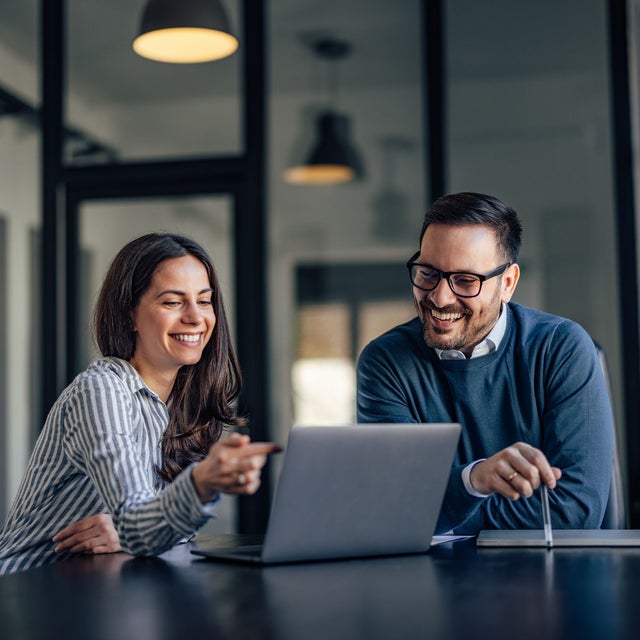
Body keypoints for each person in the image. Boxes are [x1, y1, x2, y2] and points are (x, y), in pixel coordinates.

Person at [0, 233, 280, 574]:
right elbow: (140, 526)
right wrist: (199, 484)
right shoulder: (100, 391)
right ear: (130, 315)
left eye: (204, 301)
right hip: (24, 595)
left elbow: (160, 529)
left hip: (92, 593)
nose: (195, 317)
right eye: (173, 302)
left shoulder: (182, 404)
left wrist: (127, 531)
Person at [357, 192, 613, 534]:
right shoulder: (385, 362)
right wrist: (472, 481)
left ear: (507, 283)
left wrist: (445, 510)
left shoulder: (561, 348)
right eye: (428, 273)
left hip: (548, 578)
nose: (439, 297)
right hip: (428, 580)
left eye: (465, 280)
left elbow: (574, 512)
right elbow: (398, 507)